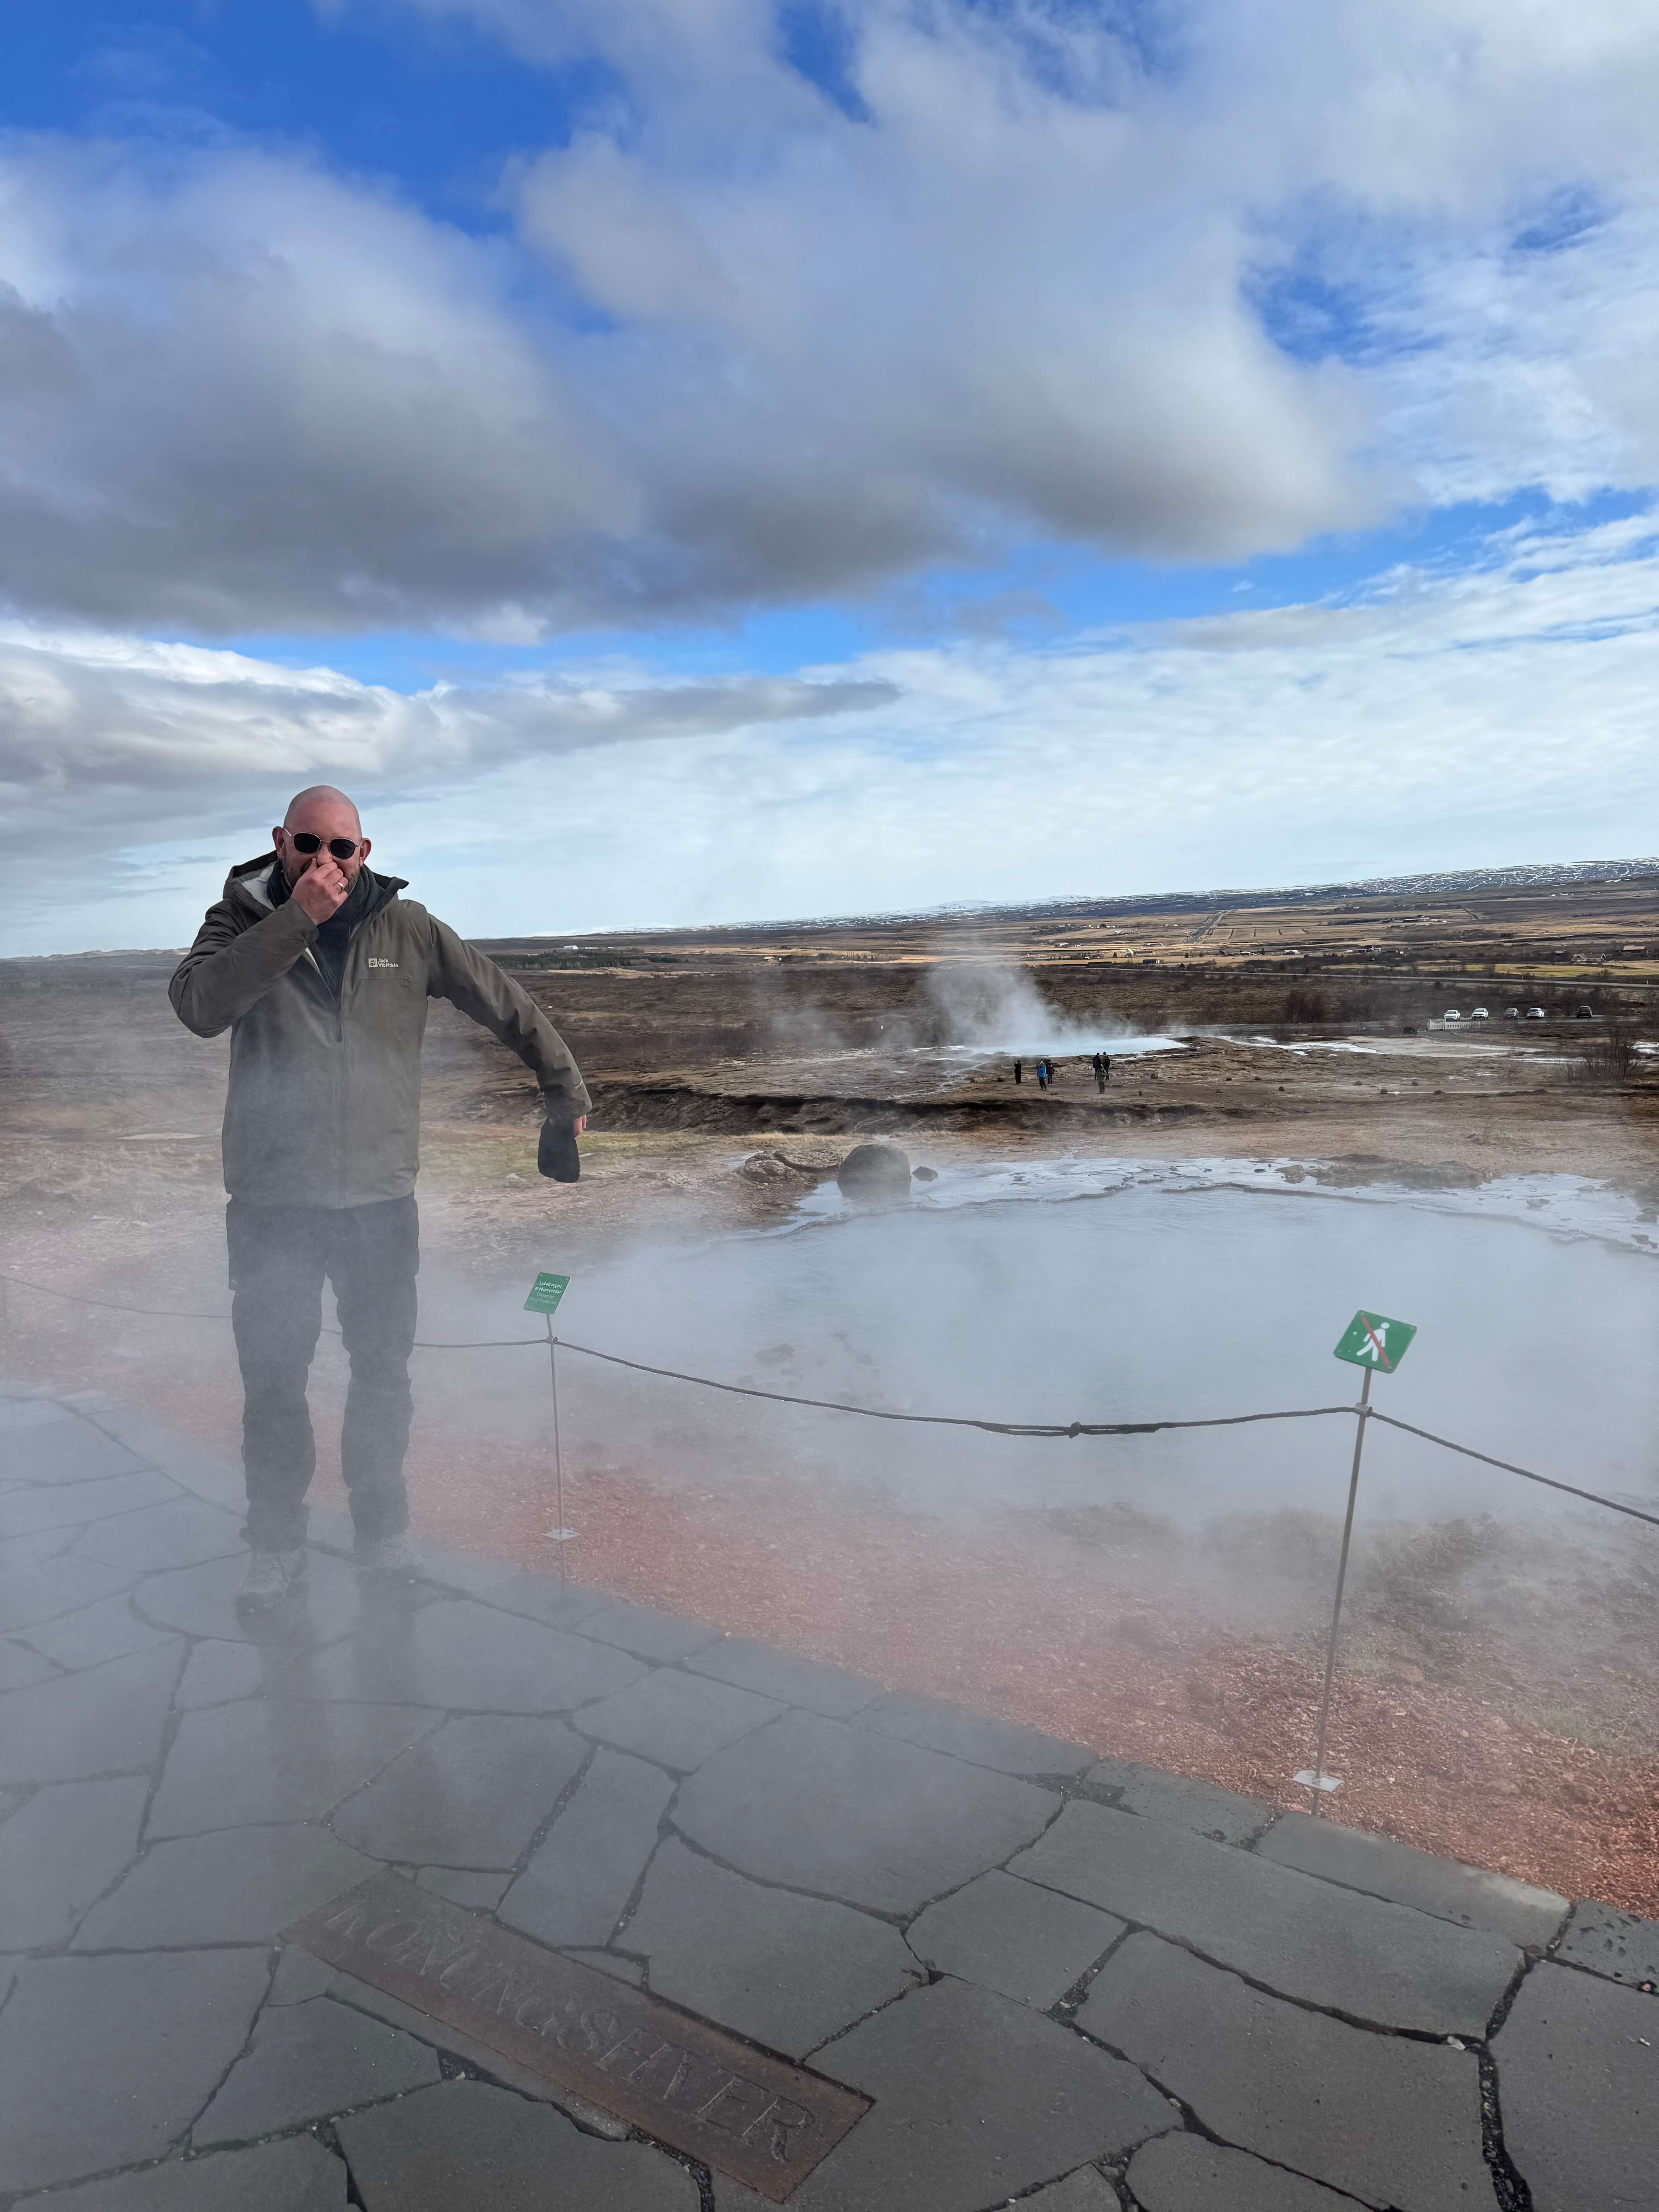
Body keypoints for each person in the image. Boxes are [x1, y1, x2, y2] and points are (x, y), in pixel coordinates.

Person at [170, 787, 590, 1612]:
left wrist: (562, 1088)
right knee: (275, 1384)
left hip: (378, 1203)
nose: (324, 862)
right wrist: (296, 921)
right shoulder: (238, 920)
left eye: (341, 848)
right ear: (279, 843)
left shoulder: (410, 929)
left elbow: (506, 1001)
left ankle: (383, 1531)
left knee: (382, 1379)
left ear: (366, 851)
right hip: (272, 1205)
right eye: (307, 844)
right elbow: (200, 1008)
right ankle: (277, 1545)